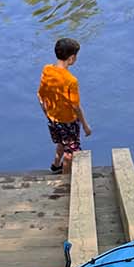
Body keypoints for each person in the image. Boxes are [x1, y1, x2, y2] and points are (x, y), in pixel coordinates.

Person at [39, 38, 92, 174]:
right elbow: (75, 106)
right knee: (71, 153)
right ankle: (65, 179)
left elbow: (40, 95)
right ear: (71, 58)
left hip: (53, 119)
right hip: (68, 121)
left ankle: (56, 165)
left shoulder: (47, 70)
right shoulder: (71, 81)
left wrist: (47, 113)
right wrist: (85, 125)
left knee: (62, 142)